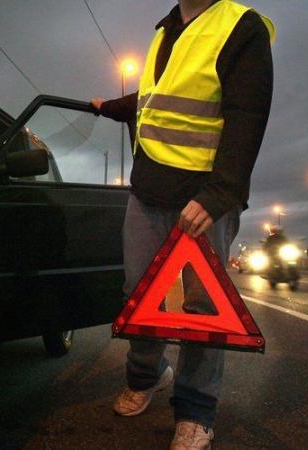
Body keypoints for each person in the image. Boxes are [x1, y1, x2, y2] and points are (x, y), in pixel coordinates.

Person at [90, 1, 274, 449]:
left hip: (203, 199)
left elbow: (248, 114)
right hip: (148, 189)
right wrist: (108, 107)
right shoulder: (165, 28)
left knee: (202, 313)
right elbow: (154, 101)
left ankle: (195, 412)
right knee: (138, 294)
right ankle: (147, 377)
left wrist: (218, 195)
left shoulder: (239, 25)